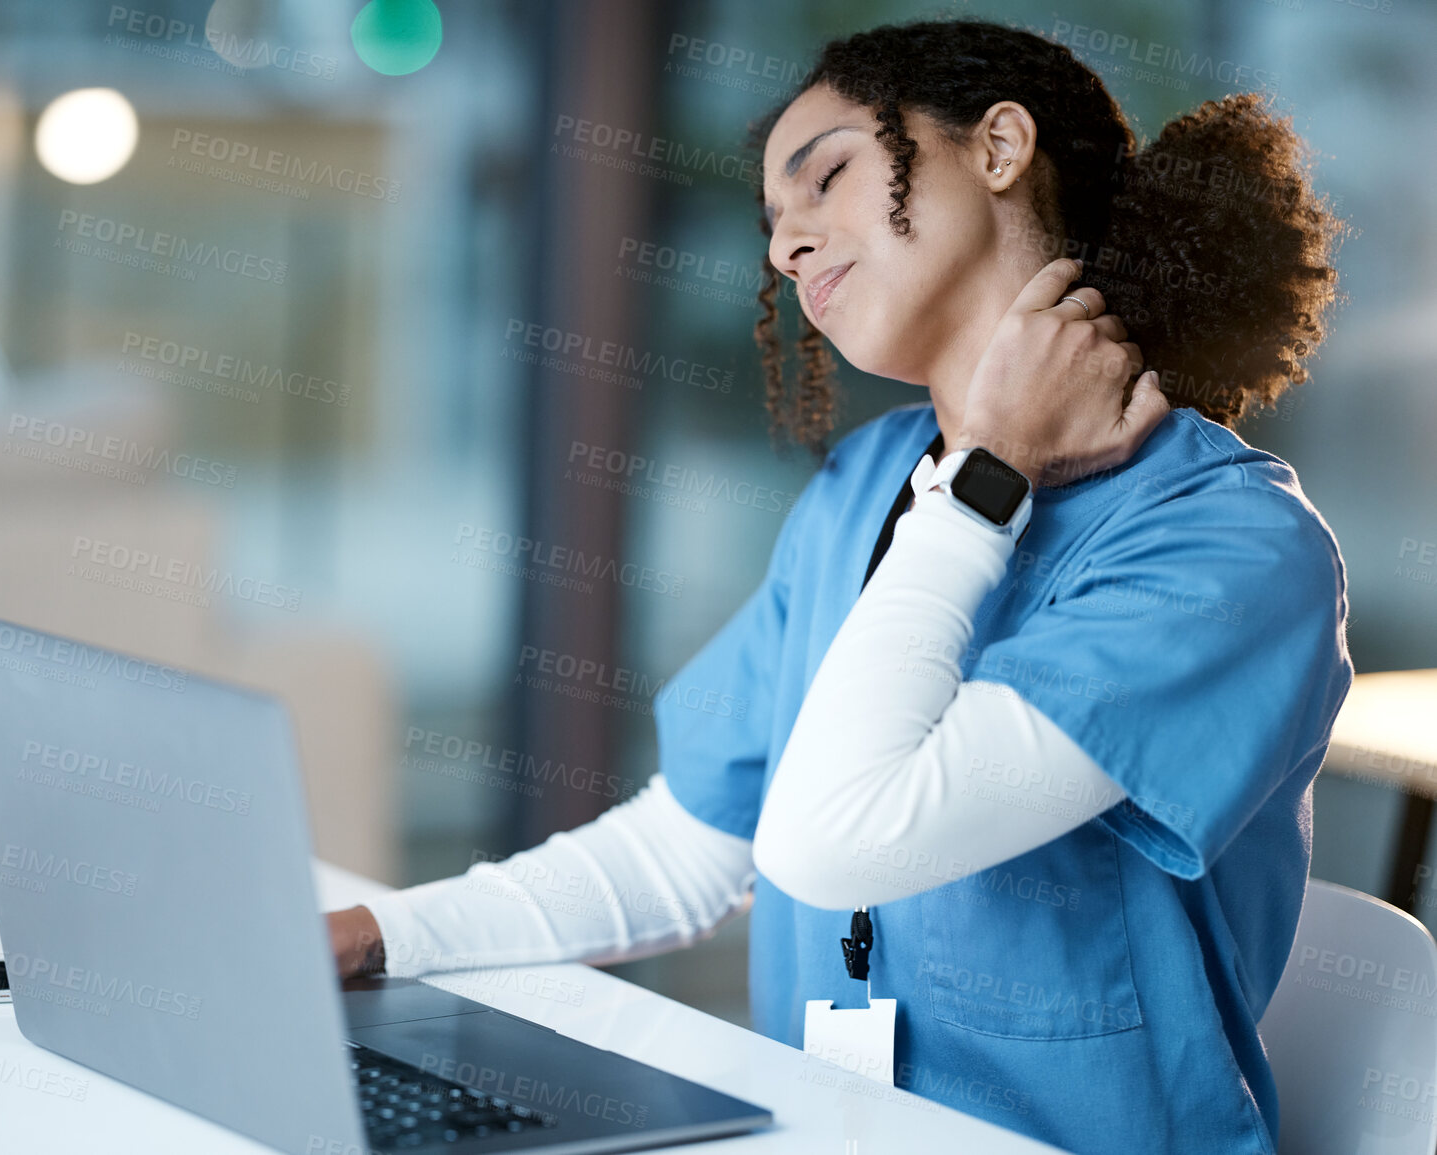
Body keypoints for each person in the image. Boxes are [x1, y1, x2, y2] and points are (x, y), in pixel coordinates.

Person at [326, 18, 1350, 1155]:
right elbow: (687, 846)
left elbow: (833, 842)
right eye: (772, 228)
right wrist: (373, 934)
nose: (786, 250)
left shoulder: (1227, 547)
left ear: (1000, 146)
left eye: (828, 178)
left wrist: (986, 480)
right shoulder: (867, 486)